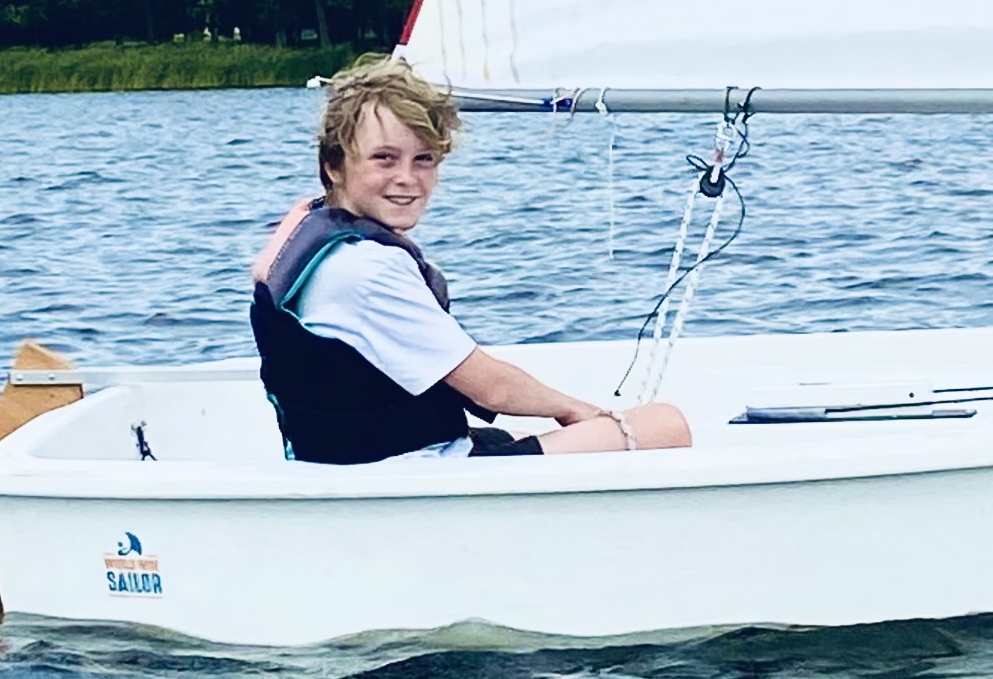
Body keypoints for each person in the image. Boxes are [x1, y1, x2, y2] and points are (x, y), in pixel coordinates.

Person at [250, 58, 693, 466]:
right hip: (408, 473)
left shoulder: (306, 234)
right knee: (664, 423)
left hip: (359, 456)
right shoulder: (366, 270)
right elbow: (491, 388)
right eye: (384, 158)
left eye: (424, 159)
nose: (407, 178)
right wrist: (576, 410)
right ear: (334, 165)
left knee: (525, 431)